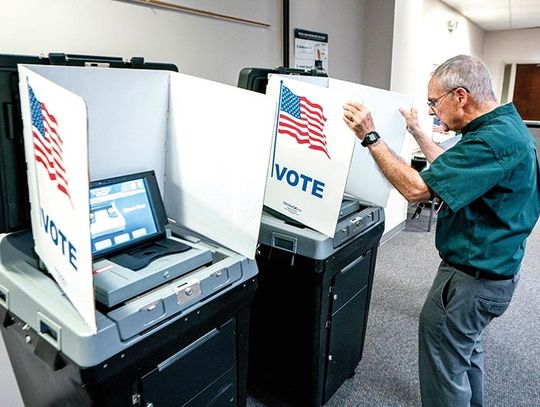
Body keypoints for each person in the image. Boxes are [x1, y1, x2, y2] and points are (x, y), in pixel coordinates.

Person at [343, 54, 540, 407]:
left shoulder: (489, 143)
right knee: (464, 351)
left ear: (460, 96)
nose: (433, 111)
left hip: (471, 279)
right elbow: (450, 171)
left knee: (443, 362)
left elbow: (417, 189)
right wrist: (419, 131)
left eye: (435, 103)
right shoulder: (500, 128)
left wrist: (370, 136)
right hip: (494, 272)